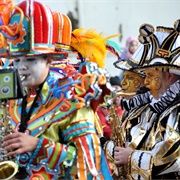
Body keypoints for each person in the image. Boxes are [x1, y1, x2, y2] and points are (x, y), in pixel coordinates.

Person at [0, 1, 115, 179]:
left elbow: (89, 164)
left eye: (30, 60)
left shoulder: (73, 97)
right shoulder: (12, 98)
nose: (21, 67)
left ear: (49, 60)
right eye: (17, 60)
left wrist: (38, 145)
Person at [112, 21, 180, 179]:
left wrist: (131, 157)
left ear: (169, 76)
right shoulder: (155, 107)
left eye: (150, 75)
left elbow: (174, 157)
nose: (146, 82)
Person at [96, 76, 123, 140]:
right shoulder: (101, 109)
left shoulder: (126, 109)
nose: (116, 95)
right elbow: (103, 128)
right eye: (114, 92)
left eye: (118, 91)